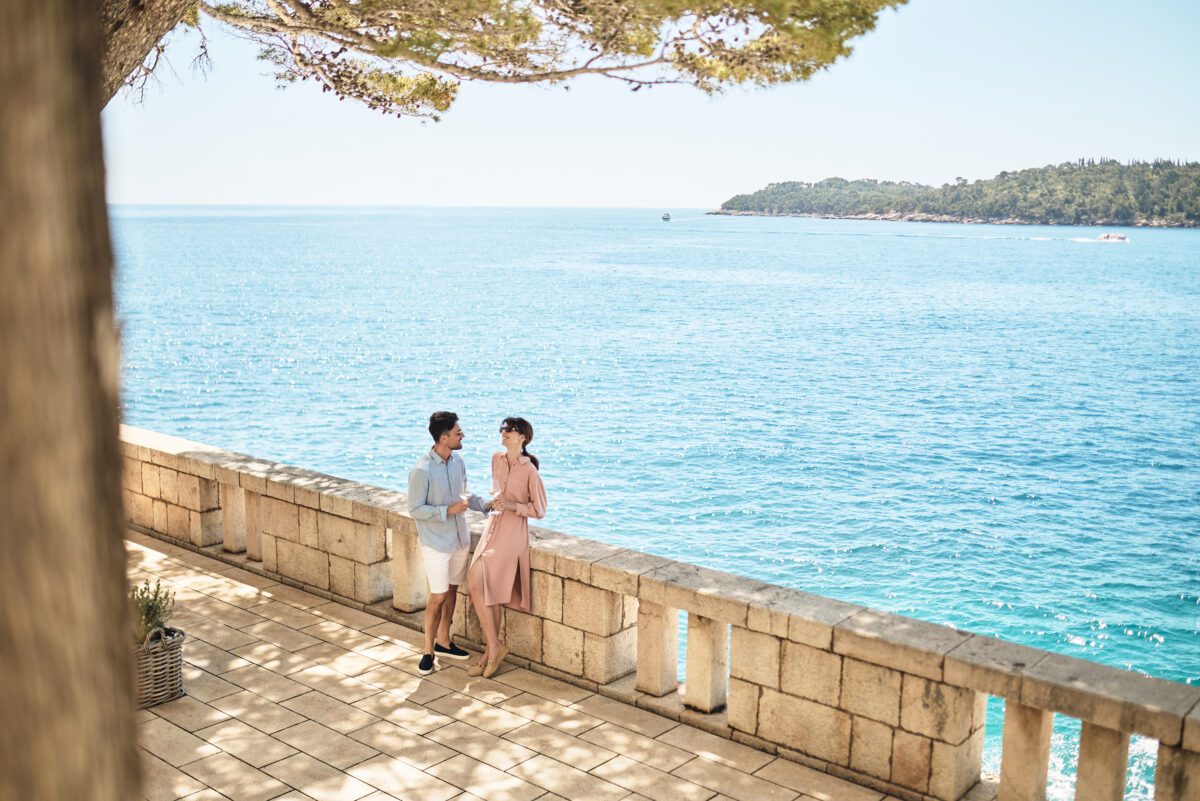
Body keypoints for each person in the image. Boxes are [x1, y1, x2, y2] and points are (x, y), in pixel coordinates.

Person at [408, 411, 490, 675]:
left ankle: (444, 642)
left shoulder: (458, 461)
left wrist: (487, 505)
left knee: (452, 591)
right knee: (438, 596)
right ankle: (428, 651)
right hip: (437, 544)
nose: (462, 435)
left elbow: (463, 497)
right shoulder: (421, 470)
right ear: (444, 437)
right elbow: (415, 509)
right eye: (458, 432)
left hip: (460, 540)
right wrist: (446, 511)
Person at [465, 416, 547, 678]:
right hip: (493, 526)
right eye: (502, 429)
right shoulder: (496, 459)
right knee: (477, 584)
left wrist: (512, 506)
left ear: (523, 437)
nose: (504, 433)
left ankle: (491, 652)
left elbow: (540, 509)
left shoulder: (530, 470)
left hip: (513, 533)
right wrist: (491, 504)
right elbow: (496, 492)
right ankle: (493, 649)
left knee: (487, 588)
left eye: (510, 430)